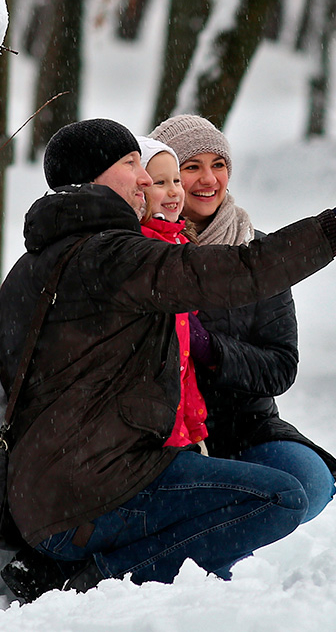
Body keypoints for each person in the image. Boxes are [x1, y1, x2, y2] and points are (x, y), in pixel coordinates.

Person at [0, 118, 336, 602]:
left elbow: (275, 357)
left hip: (48, 494)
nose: (145, 179)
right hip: (92, 497)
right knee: (281, 498)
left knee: (296, 483)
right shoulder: (114, 257)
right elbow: (246, 269)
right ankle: (97, 577)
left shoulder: (37, 264)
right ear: (92, 179)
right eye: (132, 165)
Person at [148, 114, 336, 524]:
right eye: (191, 167)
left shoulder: (259, 254)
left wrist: (211, 351)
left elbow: (281, 366)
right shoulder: (146, 253)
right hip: (165, 434)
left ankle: (218, 526)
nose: (208, 180)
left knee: (310, 483)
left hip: (245, 427)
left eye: (218, 165)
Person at [136, 136, 208, 453]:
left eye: (176, 180)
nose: (174, 191)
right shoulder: (139, 247)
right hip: (150, 426)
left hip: (178, 422)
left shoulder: (180, 245)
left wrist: (195, 427)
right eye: (160, 182)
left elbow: (185, 362)